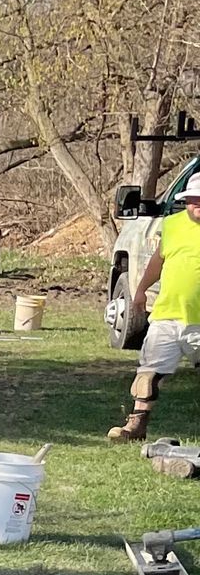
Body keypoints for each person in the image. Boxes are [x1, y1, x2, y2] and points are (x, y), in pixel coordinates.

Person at [111, 168, 200, 441]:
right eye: (194, 200)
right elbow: (158, 261)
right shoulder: (172, 225)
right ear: (186, 201)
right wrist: (140, 290)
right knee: (147, 375)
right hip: (167, 314)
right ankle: (135, 427)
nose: (198, 205)